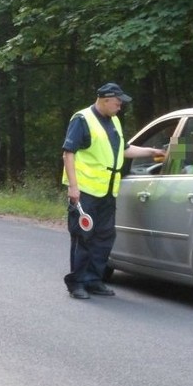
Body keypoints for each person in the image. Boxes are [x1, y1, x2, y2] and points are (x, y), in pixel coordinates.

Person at [61, 83, 165, 299]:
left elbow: (124, 149)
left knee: (105, 236)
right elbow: (68, 153)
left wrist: (151, 151)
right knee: (84, 236)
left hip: (108, 191)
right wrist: (73, 186)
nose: (120, 107)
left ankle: (93, 280)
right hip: (86, 191)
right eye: (117, 103)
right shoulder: (82, 119)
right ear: (105, 100)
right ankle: (77, 282)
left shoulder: (114, 121)